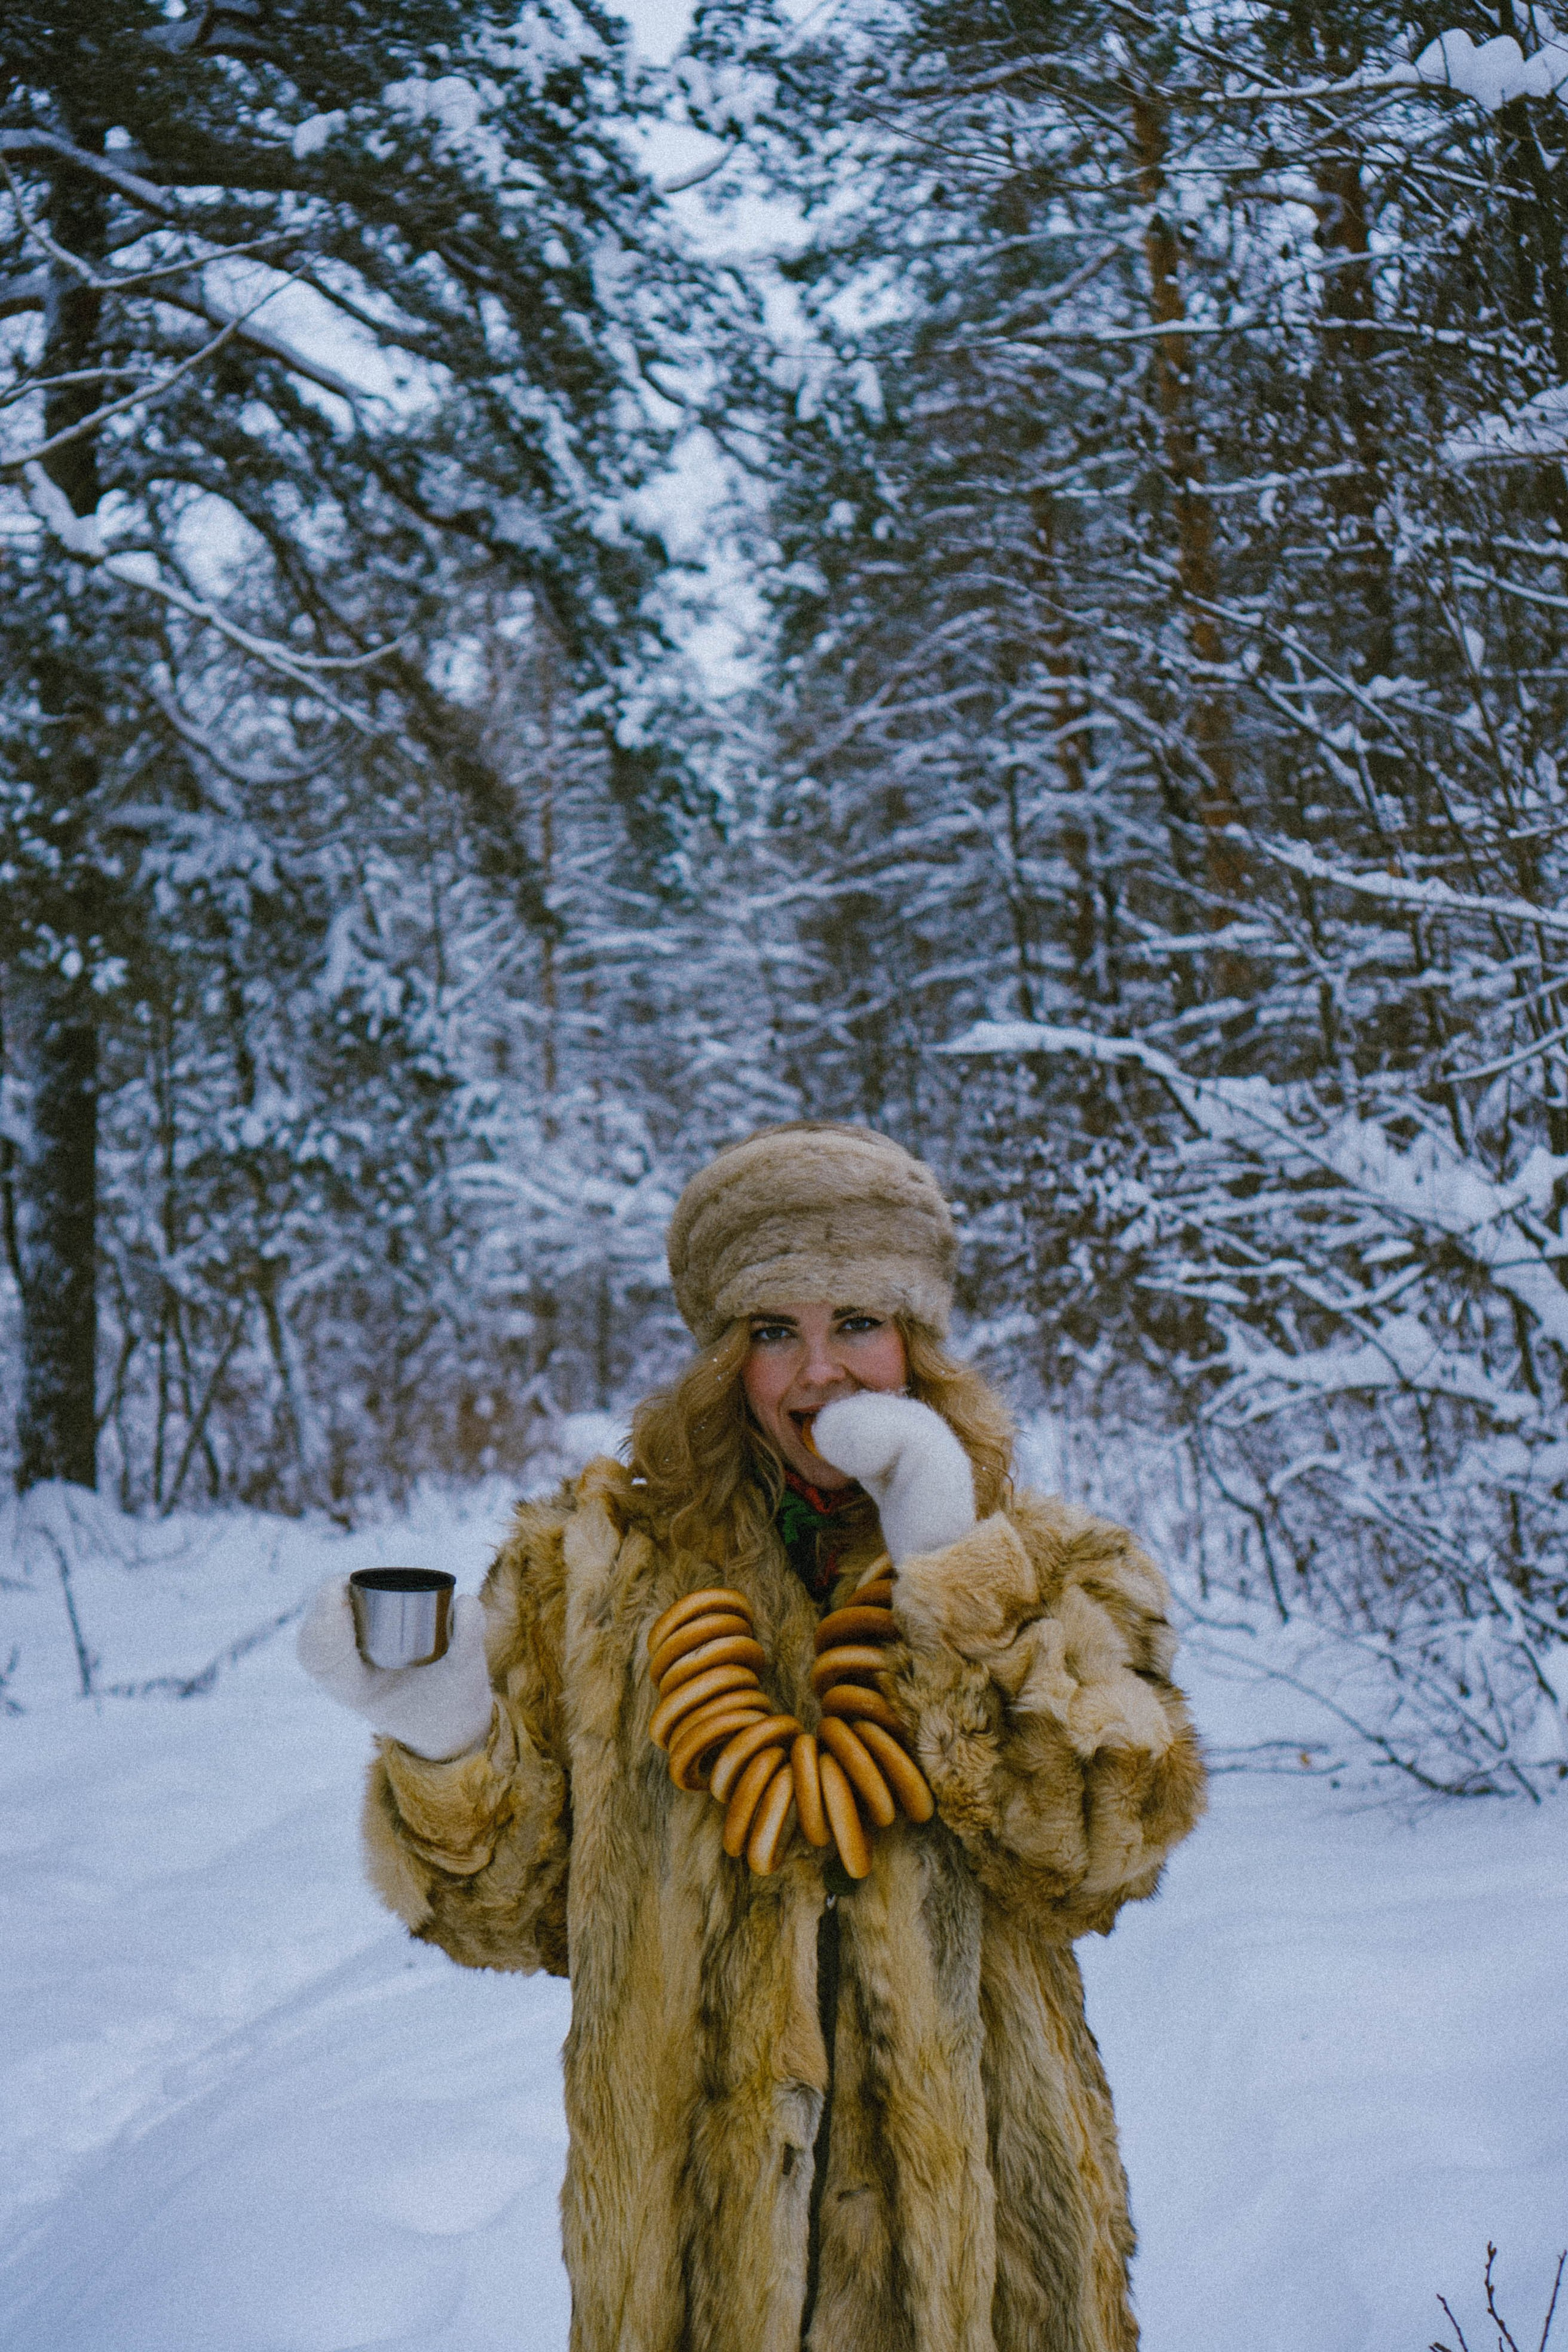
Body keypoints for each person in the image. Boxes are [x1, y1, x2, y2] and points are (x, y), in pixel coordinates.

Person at [298, 1121, 1206, 2352]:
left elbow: (1105, 1841)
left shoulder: (1049, 1561)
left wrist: (951, 1571)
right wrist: (443, 1733)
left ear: (917, 1343)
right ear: (723, 1358)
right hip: (687, 2281)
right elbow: (506, 1916)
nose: (818, 1372)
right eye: (773, 1331)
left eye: (858, 1323)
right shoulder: (595, 1570)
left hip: (979, 2274)